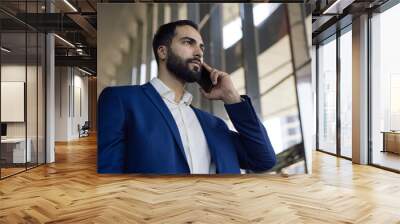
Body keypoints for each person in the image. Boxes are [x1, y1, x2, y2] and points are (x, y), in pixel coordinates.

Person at [97, 20, 276, 174]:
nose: (198, 52)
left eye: (201, 47)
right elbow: (108, 173)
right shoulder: (121, 100)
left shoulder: (215, 126)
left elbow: (264, 160)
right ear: (163, 52)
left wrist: (232, 97)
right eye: (188, 43)